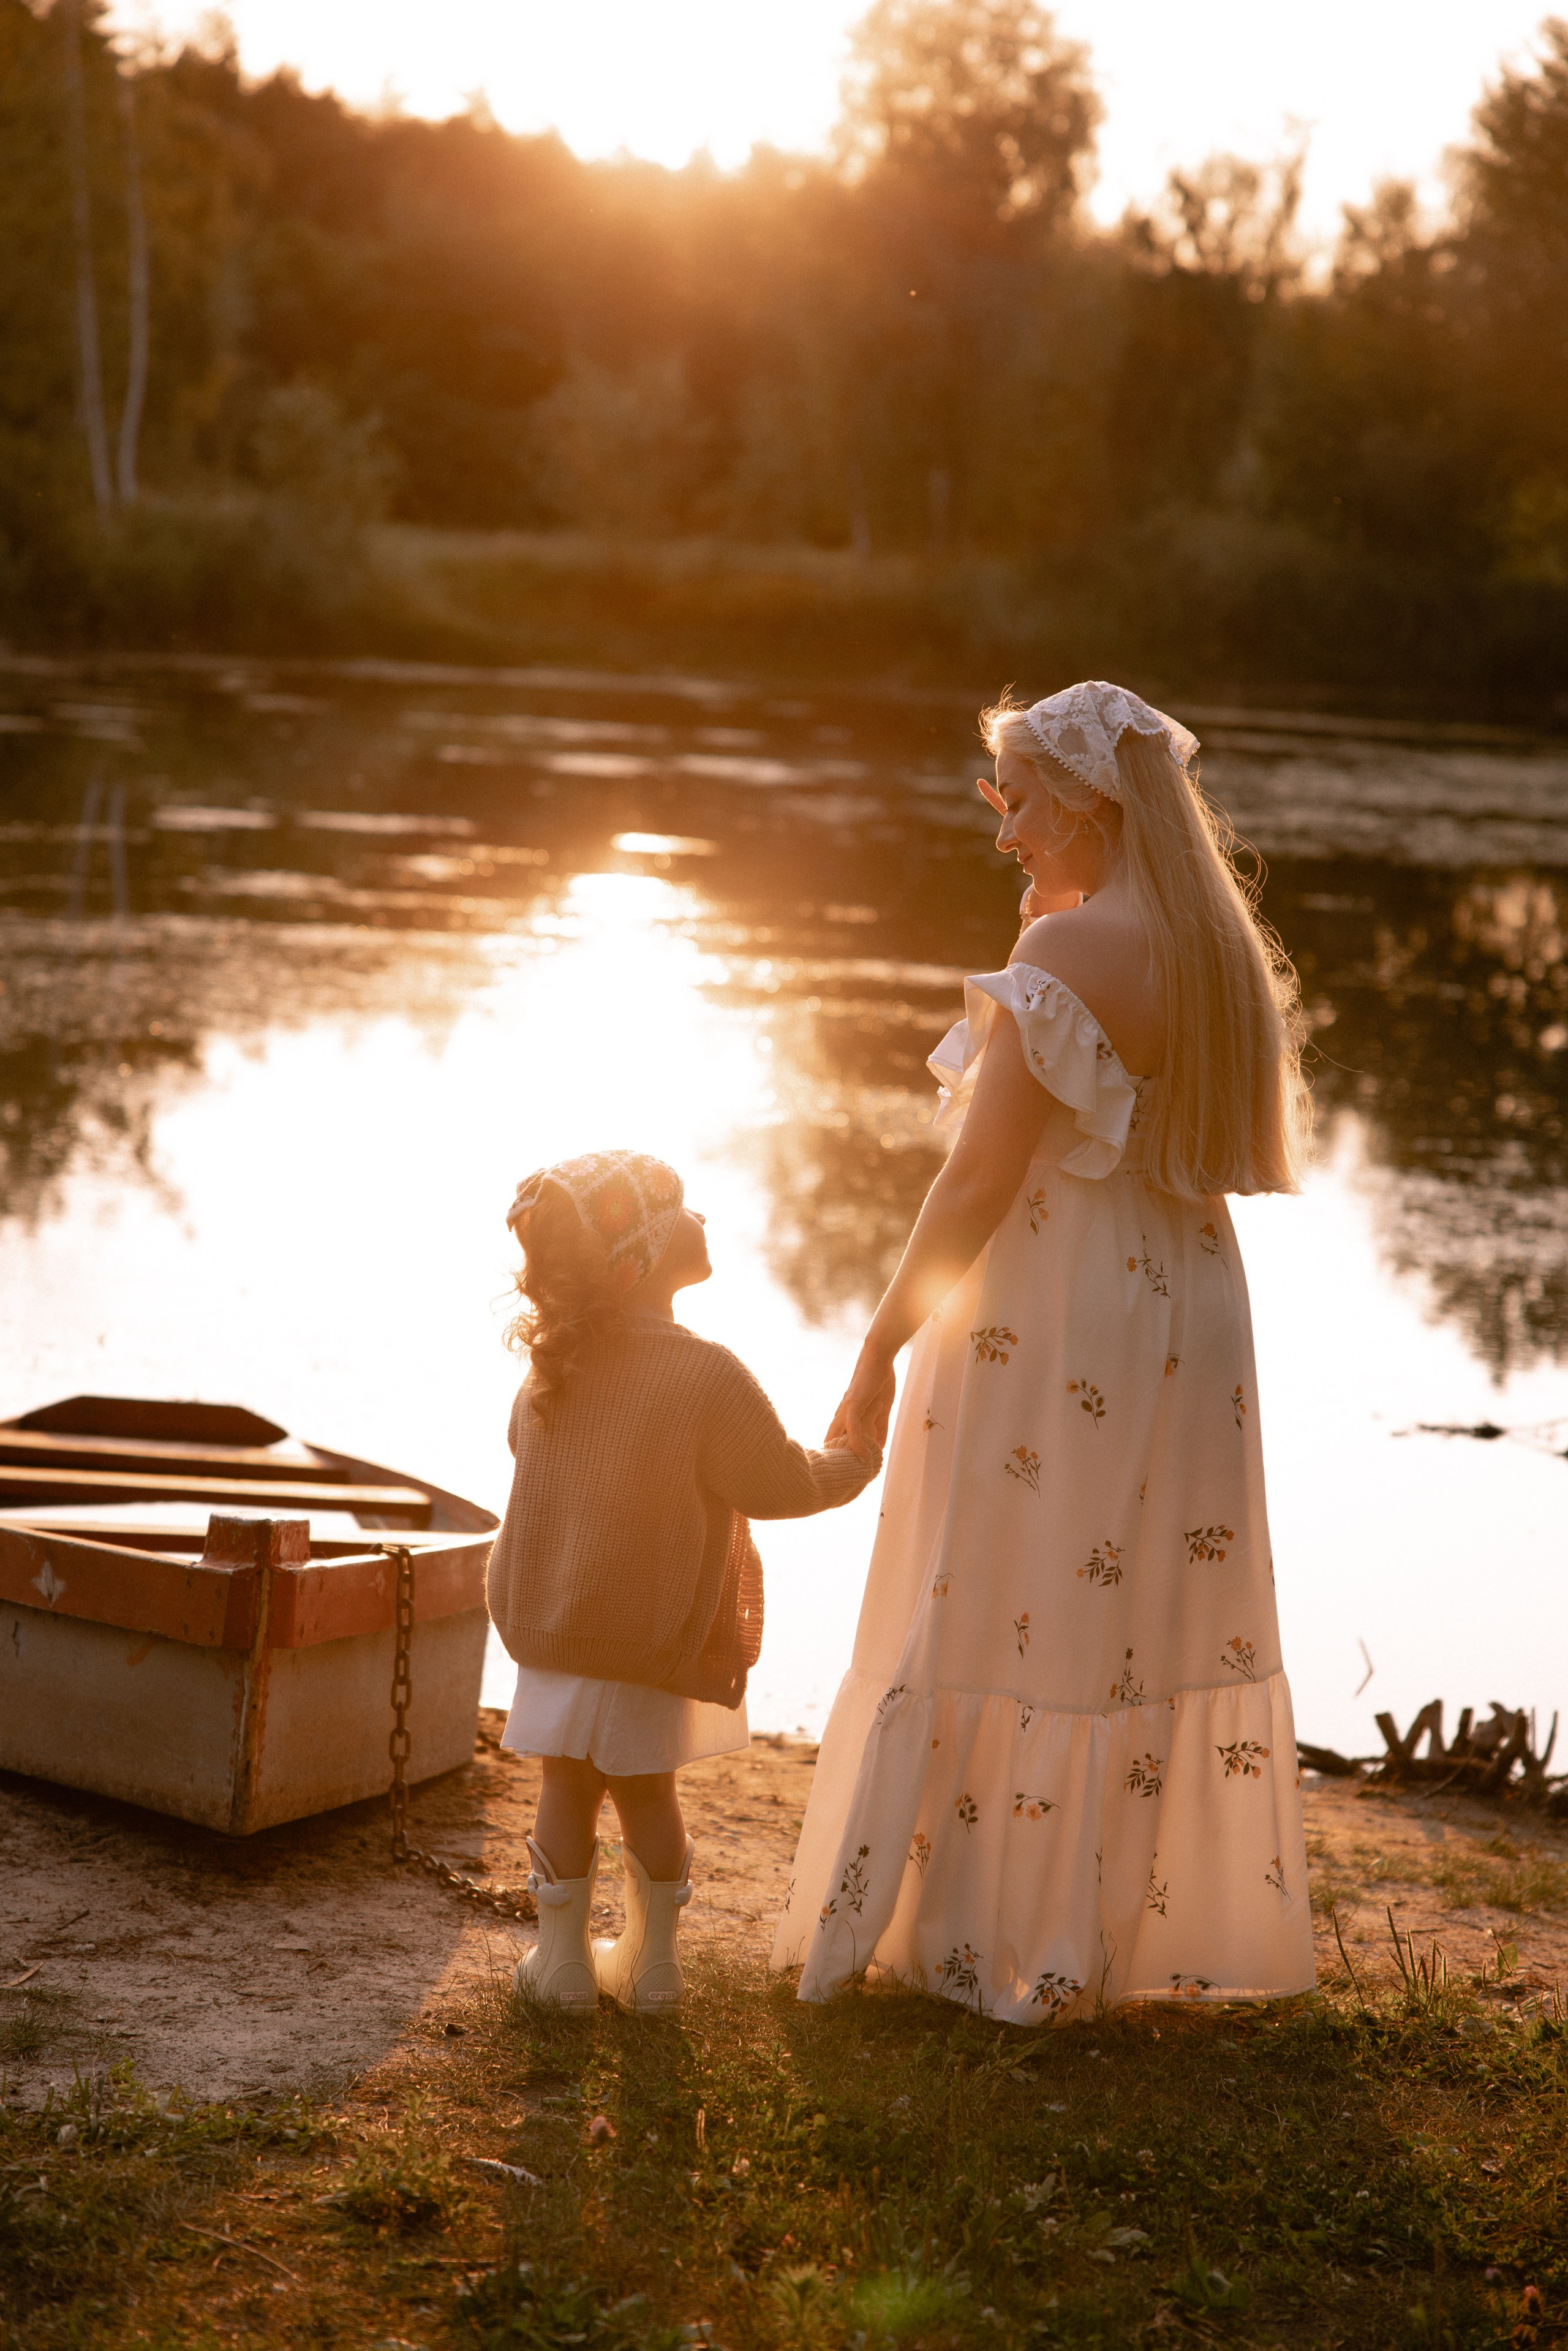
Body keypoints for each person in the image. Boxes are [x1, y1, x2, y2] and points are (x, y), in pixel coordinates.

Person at [772, 681, 1317, 2023]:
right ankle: (1095, 1933)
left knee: (998, 1586)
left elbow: (970, 1188)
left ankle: (975, 1932)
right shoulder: (1210, 951)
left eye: (1015, 801)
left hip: (1055, 1302)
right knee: (1115, 1611)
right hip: (1183, 1307)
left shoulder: (1064, 963)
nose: (1003, 831)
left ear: (1083, 800)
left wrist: (875, 1343)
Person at [488, 1149, 878, 2012]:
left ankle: (561, 1967)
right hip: (652, 1638)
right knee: (647, 1790)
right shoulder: (707, 1373)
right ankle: (655, 1965)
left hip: (557, 1626)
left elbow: (532, 1464)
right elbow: (775, 1482)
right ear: (647, 1251)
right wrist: (852, 1462)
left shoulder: (552, 1368)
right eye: (686, 1209)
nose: (707, 1220)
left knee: (565, 1784)